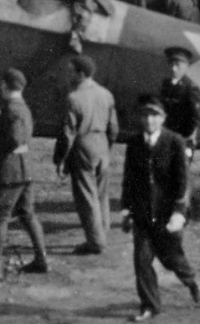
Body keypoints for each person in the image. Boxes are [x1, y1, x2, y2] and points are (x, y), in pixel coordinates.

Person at [120, 95, 200, 321]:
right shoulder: (134, 144)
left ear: (163, 118)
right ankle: (150, 306)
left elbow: (182, 181)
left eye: (154, 115)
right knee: (142, 260)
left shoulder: (174, 142)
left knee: (171, 258)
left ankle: (191, 281)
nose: (149, 120)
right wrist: (126, 209)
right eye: (145, 115)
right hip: (143, 214)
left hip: (167, 214)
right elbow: (129, 179)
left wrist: (178, 212)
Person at [0, 68, 49, 279]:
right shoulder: (23, 107)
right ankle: (42, 259)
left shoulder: (11, 109)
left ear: (5, 86)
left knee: (0, 217)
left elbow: (14, 139)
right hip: (25, 169)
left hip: (11, 171)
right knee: (27, 214)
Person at [52, 55, 119, 255]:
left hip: (83, 145)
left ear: (81, 74)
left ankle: (96, 242)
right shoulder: (106, 94)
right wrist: (107, 146)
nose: (68, 74)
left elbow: (67, 134)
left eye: (71, 71)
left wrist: (60, 159)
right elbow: (114, 127)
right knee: (101, 193)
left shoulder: (74, 98)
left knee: (86, 197)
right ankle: (103, 229)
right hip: (102, 144)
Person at [159, 48, 200, 157]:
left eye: (178, 65)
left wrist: (184, 140)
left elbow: (195, 119)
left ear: (186, 67)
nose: (174, 69)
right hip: (165, 136)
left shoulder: (192, 88)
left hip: (182, 140)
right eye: (171, 64)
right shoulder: (166, 85)